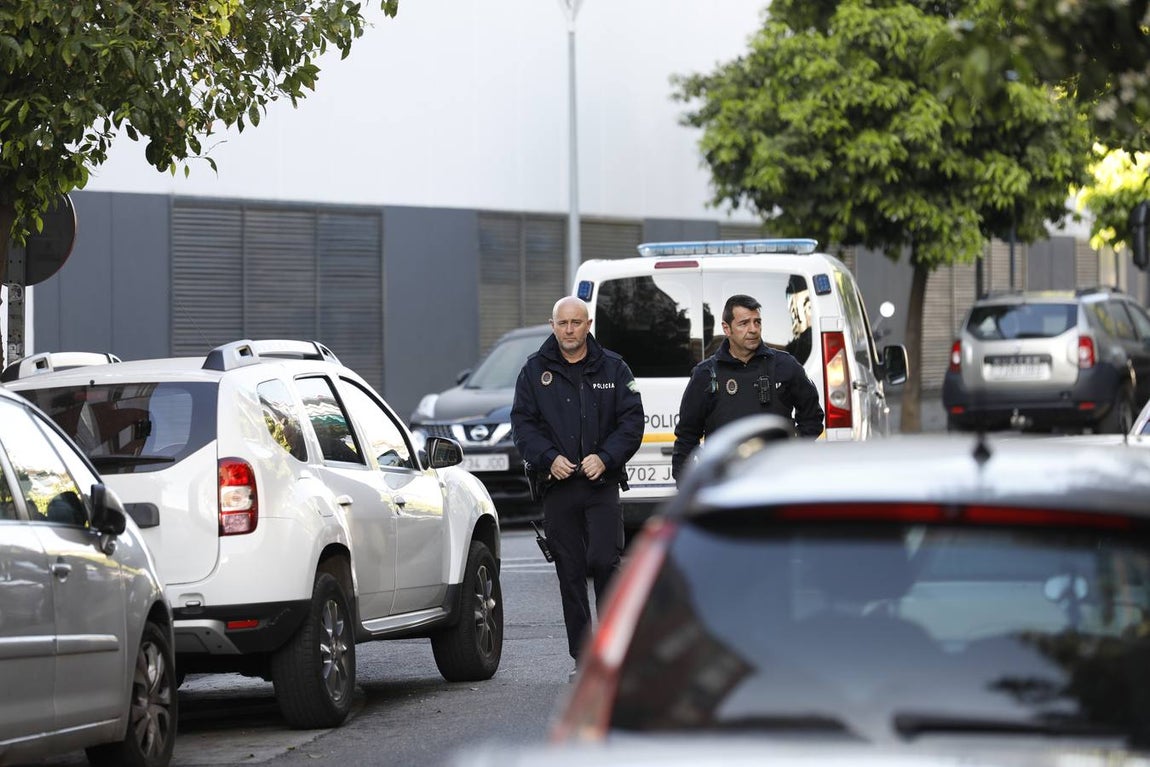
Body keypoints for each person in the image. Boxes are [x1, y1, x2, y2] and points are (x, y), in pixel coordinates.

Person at [511, 296, 644, 680]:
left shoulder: (614, 367)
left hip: (601, 484)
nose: (569, 330)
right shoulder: (534, 371)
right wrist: (548, 457)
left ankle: (614, 652)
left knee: (604, 562)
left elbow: (632, 422)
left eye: (576, 322)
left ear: (588, 325)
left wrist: (606, 457)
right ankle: (584, 659)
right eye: (563, 323)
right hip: (558, 487)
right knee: (569, 572)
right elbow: (522, 425)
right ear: (552, 325)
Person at [672, 293, 824, 482]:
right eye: (744, 323)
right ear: (726, 328)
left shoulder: (785, 365)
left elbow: (812, 417)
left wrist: (792, 452)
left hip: (778, 480)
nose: (753, 329)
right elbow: (687, 436)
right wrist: (684, 482)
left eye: (757, 322)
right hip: (726, 481)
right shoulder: (705, 374)